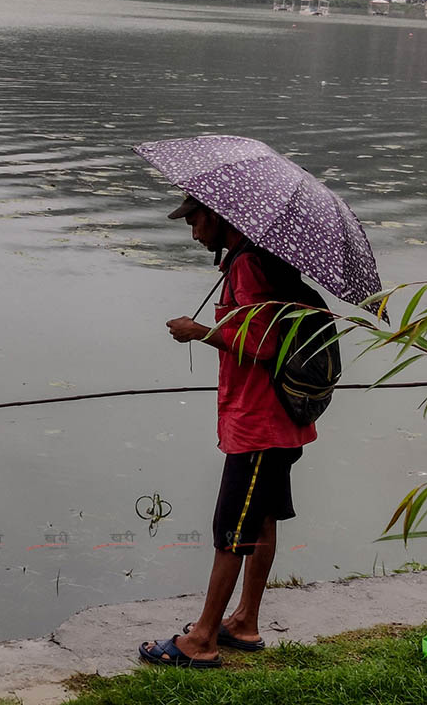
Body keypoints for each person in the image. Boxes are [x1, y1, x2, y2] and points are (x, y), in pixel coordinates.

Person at [139, 194, 317, 669]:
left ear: (217, 216)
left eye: (195, 221)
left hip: (259, 423)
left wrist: (199, 331)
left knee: (231, 529)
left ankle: (201, 641)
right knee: (261, 520)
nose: (193, 232)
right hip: (278, 420)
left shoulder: (248, 266)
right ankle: (245, 621)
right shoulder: (255, 259)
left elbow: (264, 340)